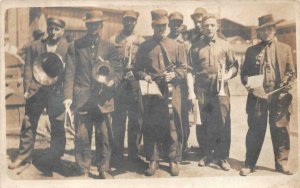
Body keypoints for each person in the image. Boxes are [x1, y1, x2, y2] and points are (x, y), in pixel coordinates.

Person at [8, 18, 68, 177]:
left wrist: (67, 93)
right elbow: (28, 67)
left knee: (57, 125)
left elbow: (71, 72)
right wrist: (27, 88)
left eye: (57, 29)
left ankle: (55, 157)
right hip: (37, 90)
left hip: (56, 91)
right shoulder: (35, 45)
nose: (53, 32)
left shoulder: (68, 47)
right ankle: (24, 156)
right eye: (51, 28)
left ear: (63, 30)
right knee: (28, 122)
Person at [63, 10, 118, 179]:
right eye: (90, 24)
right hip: (82, 98)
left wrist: (112, 80)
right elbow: (69, 72)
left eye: (97, 24)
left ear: (101, 25)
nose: (93, 27)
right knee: (82, 136)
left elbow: (118, 70)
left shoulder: (110, 46)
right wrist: (68, 97)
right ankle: (83, 169)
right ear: (86, 25)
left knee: (104, 135)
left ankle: (103, 168)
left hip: (103, 98)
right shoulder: (75, 45)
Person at [239, 14, 296, 176]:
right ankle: (249, 164)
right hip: (258, 97)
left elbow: (292, 72)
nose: (266, 33)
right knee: (255, 130)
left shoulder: (285, 49)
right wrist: (248, 84)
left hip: (279, 97)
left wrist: (286, 82)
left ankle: (281, 163)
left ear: (274, 30)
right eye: (263, 30)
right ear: (259, 33)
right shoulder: (251, 51)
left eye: (269, 29)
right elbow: (244, 74)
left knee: (281, 130)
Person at [134, 9, 187, 176]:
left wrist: (175, 74)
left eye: (164, 26)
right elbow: (137, 70)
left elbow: (184, 69)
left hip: (173, 90)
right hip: (152, 91)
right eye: (157, 26)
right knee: (151, 125)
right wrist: (145, 76)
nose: (161, 29)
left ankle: (173, 160)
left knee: (172, 125)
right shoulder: (144, 47)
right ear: (152, 26)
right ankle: (153, 160)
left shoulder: (177, 46)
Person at [189, 14, 238, 171]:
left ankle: (222, 157)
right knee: (203, 121)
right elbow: (190, 70)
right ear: (202, 28)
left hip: (220, 87)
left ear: (217, 26)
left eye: (211, 25)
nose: (208, 28)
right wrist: (191, 91)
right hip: (202, 87)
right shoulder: (195, 46)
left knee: (223, 121)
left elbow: (234, 66)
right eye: (205, 26)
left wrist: (227, 75)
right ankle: (206, 154)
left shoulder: (225, 45)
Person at [109, 10, 145, 165]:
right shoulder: (114, 39)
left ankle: (133, 154)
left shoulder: (141, 41)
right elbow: (109, 60)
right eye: (126, 20)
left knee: (136, 120)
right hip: (119, 83)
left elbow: (144, 62)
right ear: (122, 21)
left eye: (132, 21)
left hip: (134, 82)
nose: (129, 23)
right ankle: (116, 154)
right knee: (118, 119)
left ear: (136, 22)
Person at [167, 11, 191, 156]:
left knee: (184, 117)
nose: (175, 26)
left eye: (178, 23)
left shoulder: (187, 43)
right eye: (173, 23)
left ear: (181, 25)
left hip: (184, 83)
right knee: (169, 117)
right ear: (169, 25)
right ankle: (170, 146)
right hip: (170, 83)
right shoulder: (165, 40)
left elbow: (190, 66)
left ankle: (183, 146)